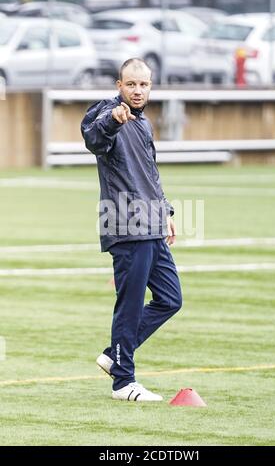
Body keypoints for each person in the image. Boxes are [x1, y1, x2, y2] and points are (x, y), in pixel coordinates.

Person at [81, 58, 182, 402]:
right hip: (125, 226)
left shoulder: (144, 124)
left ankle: (115, 355)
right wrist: (111, 120)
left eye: (144, 85)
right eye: (131, 84)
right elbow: (93, 137)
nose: (138, 91)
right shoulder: (108, 112)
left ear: (150, 87)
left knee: (170, 299)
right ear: (118, 84)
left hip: (152, 224)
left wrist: (166, 210)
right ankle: (123, 382)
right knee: (130, 305)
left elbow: (151, 173)